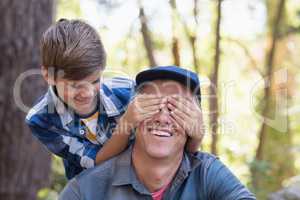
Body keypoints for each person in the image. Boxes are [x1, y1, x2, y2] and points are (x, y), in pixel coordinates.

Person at [25, 19, 202, 179]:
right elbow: (94, 162)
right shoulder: (41, 119)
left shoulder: (126, 91)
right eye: (74, 85)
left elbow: (174, 145)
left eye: (94, 81)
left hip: (140, 180)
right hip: (90, 187)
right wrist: (126, 122)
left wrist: (196, 135)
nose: (86, 93)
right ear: (48, 76)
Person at [59, 66, 256, 200]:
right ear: (133, 114)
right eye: (151, 105)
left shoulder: (207, 173)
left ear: (194, 123)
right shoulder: (85, 190)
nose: (162, 118)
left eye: (176, 107)